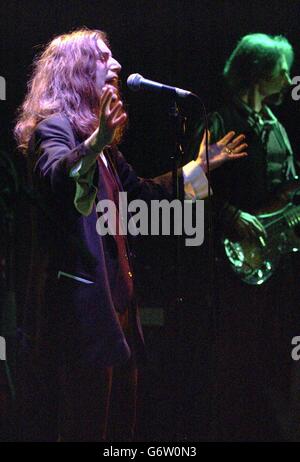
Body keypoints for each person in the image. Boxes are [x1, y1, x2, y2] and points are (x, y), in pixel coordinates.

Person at [14, 28, 247, 442]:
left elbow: (145, 197)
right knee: (85, 427)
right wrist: (94, 141)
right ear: (76, 71)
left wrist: (199, 168)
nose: (117, 65)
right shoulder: (55, 129)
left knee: (120, 427)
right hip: (80, 319)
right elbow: (57, 178)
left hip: (117, 312)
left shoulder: (107, 152)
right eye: (104, 58)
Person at [188, 33, 300, 441]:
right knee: (234, 362)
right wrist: (231, 216)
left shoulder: (277, 129)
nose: (289, 79)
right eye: (282, 70)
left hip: (276, 265)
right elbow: (190, 185)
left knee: (272, 362)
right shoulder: (219, 122)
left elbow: (285, 192)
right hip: (228, 264)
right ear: (257, 72)